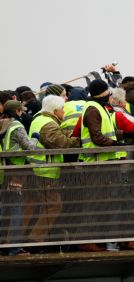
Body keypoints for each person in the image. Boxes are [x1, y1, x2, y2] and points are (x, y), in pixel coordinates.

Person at [24, 96, 81, 246]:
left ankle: (19, 238)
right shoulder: (48, 125)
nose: (64, 112)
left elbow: (60, 134)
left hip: (38, 169)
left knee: (33, 205)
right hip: (46, 172)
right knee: (54, 205)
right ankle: (36, 238)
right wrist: (80, 140)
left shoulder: (40, 119)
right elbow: (62, 143)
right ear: (55, 111)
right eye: (62, 109)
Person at [1, 100, 37, 255]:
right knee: (16, 210)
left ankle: (2, 246)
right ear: (16, 112)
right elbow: (29, 148)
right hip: (15, 172)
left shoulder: (1, 124)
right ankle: (14, 248)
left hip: (3, 171)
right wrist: (36, 137)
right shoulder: (16, 126)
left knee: (3, 210)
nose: (22, 113)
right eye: (21, 111)